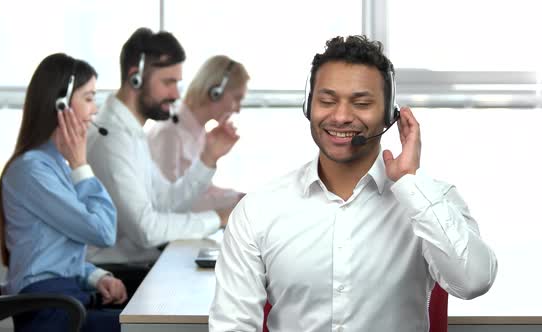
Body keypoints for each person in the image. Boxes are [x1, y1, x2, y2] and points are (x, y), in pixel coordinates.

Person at [209, 35, 498, 331]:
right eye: (327, 100)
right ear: (309, 106)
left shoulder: (430, 199)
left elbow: (473, 282)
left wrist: (410, 184)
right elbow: (232, 325)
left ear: (389, 114)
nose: (342, 116)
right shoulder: (259, 210)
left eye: (361, 103)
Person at [86, 28, 239, 295]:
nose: (176, 94)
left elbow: (167, 203)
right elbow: (146, 230)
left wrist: (207, 159)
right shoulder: (112, 139)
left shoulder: (131, 133)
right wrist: (218, 217)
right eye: (168, 82)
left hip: (136, 267)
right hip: (115, 277)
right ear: (135, 78)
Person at [0, 53, 127, 332]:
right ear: (61, 104)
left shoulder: (54, 164)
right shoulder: (33, 171)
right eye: (89, 98)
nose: (94, 111)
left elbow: (55, 255)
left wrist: (95, 277)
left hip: (64, 299)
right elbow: (103, 232)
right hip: (49, 311)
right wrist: (81, 165)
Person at [147, 55, 249, 211]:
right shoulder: (169, 133)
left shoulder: (199, 132)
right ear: (215, 92)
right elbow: (170, 205)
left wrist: (239, 198)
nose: (238, 109)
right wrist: (233, 202)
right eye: (237, 98)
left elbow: (203, 191)